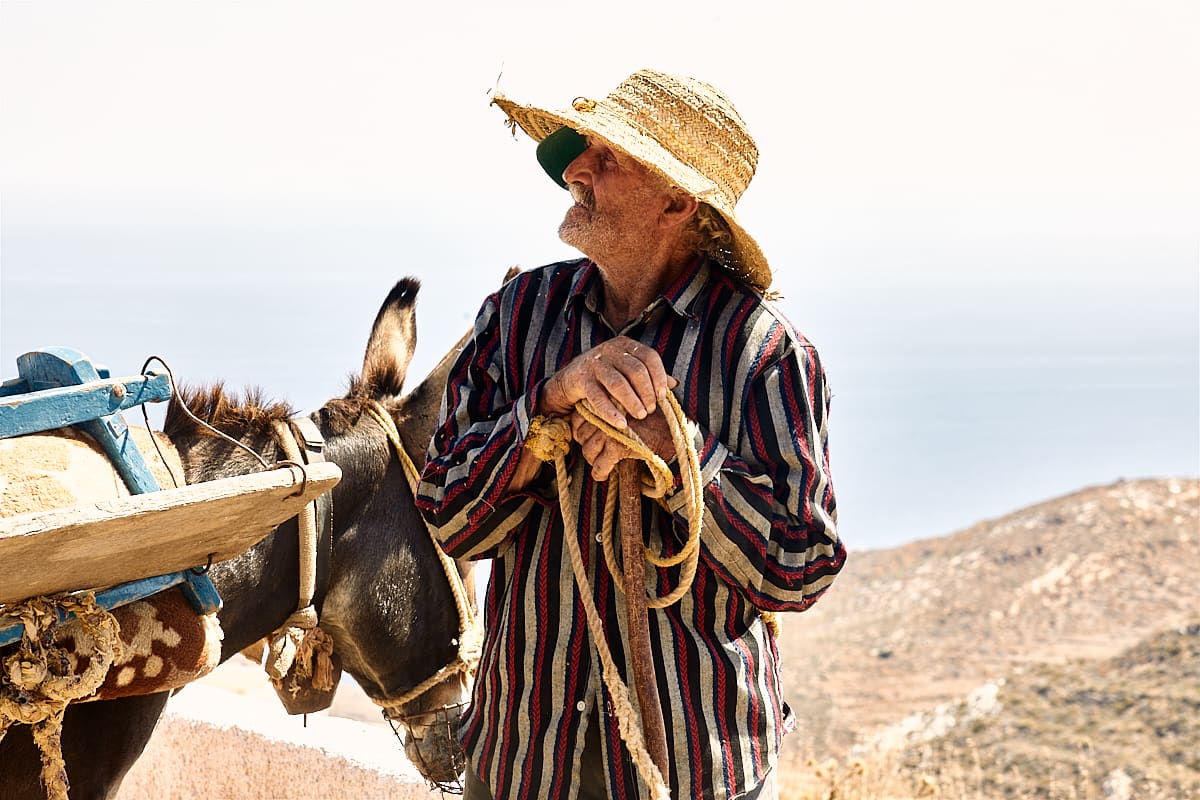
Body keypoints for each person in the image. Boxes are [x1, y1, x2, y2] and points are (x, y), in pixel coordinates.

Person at [416, 69, 845, 800]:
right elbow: (447, 514)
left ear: (677, 202)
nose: (576, 171)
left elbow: (802, 566)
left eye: (608, 157)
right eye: (584, 152)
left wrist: (677, 454)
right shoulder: (518, 316)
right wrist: (547, 407)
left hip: (692, 772)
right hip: (522, 764)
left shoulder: (766, 355)